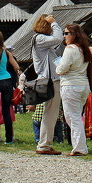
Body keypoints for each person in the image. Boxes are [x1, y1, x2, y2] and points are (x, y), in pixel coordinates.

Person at [56, 23, 92, 156]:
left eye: (66, 33)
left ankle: (80, 148)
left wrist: (57, 67)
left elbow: (62, 68)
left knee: (72, 117)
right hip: (83, 85)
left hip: (71, 85)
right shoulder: (84, 49)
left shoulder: (70, 49)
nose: (64, 36)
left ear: (73, 35)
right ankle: (81, 145)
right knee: (76, 116)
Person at [31, 13, 64, 155]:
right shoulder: (40, 38)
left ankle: (45, 143)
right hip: (50, 80)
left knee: (50, 112)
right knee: (50, 112)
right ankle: (44, 145)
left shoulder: (40, 40)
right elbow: (58, 38)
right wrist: (54, 23)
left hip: (48, 79)